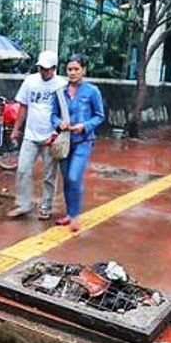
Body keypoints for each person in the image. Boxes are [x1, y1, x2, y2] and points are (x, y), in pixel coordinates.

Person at [7, 51, 66, 219]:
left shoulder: (61, 84)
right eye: (41, 68)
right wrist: (16, 129)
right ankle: (24, 204)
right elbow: (23, 106)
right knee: (23, 170)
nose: (44, 71)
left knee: (49, 175)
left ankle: (46, 206)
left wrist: (56, 134)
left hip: (50, 137)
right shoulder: (30, 81)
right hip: (30, 135)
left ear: (54, 68)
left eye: (47, 69)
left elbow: (64, 112)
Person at [50, 54, 105, 233]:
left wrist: (85, 125)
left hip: (83, 141)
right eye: (69, 69)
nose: (72, 73)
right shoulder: (60, 92)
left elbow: (99, 116)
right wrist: (59, 123)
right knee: (66, 178)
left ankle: (75, 215)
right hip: (65, 142)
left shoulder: (92, 91)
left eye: (76, 69)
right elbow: (53, 115)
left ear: (83, 70)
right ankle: (69, 213)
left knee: (74, 176)